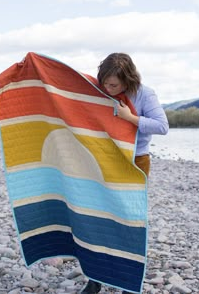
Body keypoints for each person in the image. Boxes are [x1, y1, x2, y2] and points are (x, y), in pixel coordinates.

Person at [81, 53, 169, 294]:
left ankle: (129, 279)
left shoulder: (144, 94)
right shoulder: (99, 91)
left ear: (127, 80)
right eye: (105, 84)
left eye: (114, 85)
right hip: (104, 159)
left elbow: (163, 126)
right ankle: (95, 277)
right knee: (98, 217)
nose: (108, 89)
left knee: (130, 220)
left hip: (135, 161)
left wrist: (130, 118)